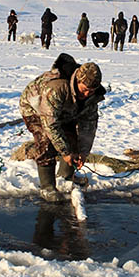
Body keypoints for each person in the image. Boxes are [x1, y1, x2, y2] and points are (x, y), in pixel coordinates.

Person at [19, 53, 106, 202]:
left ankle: (65, 177)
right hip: (35, 109)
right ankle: (47, 187)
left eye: (91, 91)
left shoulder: (92, 96)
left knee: (72, 139)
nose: (87, 94)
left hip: (65, 110)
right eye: (84, 89)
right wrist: (65, 152)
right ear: (77, 80)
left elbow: (88, 126)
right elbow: (50, 124)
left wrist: (83, 152)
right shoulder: (57, 88)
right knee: (46, 141)